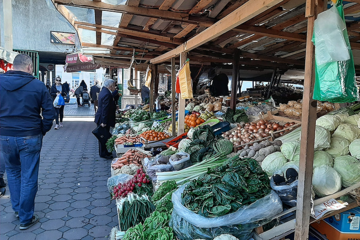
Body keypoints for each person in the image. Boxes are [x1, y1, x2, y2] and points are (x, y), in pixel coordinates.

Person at [0, 54, 55, 230]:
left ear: (12, 66)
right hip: (30, 136)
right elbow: (49, 113)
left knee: (13, 173)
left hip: (6, 136)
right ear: (30, 67)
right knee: (29, 176)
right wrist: (42, 130)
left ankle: (17, 209)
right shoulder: (38, 85)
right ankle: (25, 217)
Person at [95, 79, 116, 159]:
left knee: (103, 136)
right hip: (103, 119)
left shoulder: (103, 91)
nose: (114, 87)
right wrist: (104, 122)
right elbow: (105, 109)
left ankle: (104, 152)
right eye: (114, 85)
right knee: (103, 137)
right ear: (110, 86)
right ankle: (104, 153)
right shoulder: (107, 94)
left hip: (100, 117)